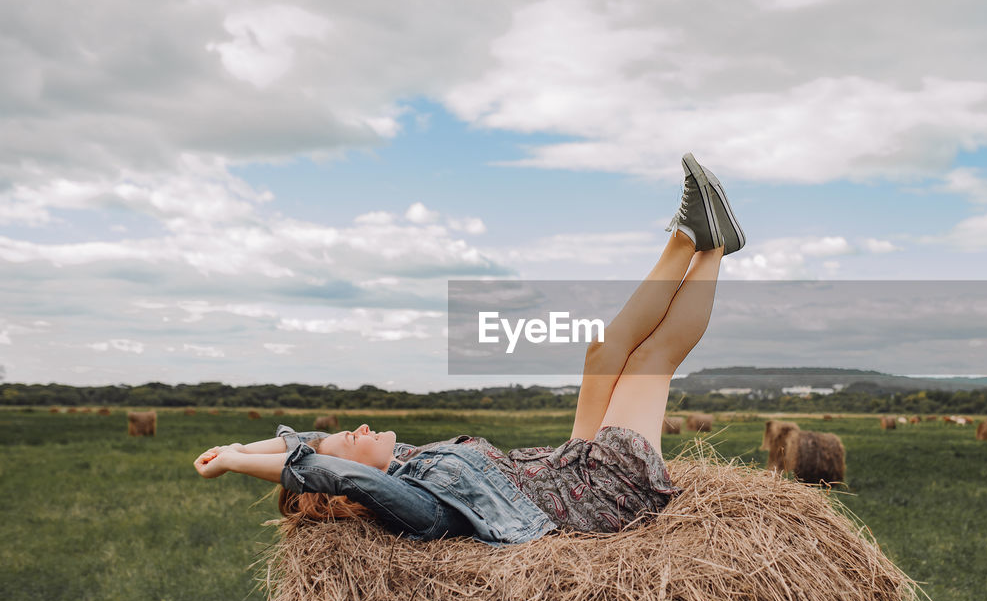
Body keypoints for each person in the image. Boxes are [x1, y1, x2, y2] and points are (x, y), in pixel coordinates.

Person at [193, 153, 745, 545]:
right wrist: (241, 464)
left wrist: (236, 445)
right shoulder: (417, 503)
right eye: (349, 439)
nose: (358, 428)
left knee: (602, 351)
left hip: (565, 466)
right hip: (601, 495)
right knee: (649, 364)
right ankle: (713, 250)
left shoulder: (406, 456)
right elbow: (330, 469)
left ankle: (684, 235)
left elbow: (311, 444)